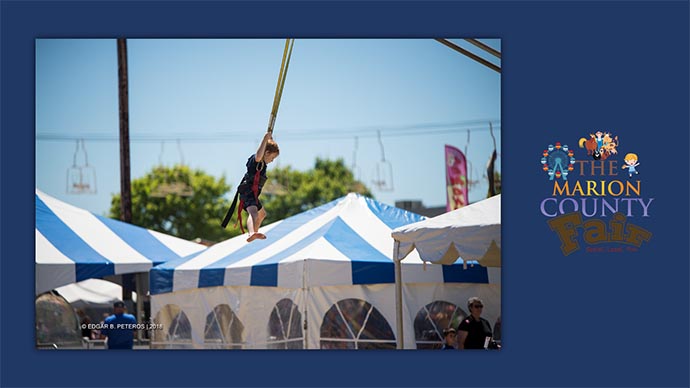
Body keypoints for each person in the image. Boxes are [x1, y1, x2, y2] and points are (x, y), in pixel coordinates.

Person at [237, 131, 280, 242]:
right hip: (247, 192)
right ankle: (251, 233)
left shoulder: (263, 165)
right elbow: (258, 156)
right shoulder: (255, 161)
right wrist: (265, 139)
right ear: (266, 152)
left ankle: (254, 233)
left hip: (253, 194)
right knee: (254, 213)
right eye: (272, 157)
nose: (272, 160)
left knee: (262, 214)